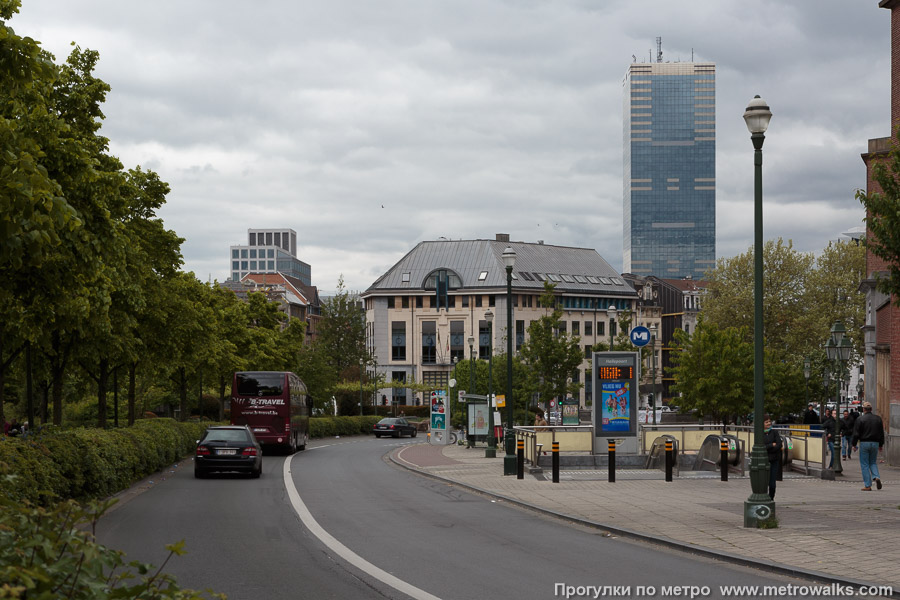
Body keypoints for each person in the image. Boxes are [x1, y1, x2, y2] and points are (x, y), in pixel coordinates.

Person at [852, 401, 885, 491]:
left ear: (863, 409)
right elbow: (881, 433)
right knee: (873, 462)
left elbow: (856, 433)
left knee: (865, 464)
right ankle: (876, 477)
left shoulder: (860, 419)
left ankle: (868, 485)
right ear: (871, 409)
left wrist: (854, 444)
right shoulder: (878, 419)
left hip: (864, 442)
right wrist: (881, 444)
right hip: (875, 443)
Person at [764, 415, 782, 500]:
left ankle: (771, 498)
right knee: (763, 482)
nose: (769, 423)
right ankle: (763, 497)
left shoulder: (774, 432)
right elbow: (761, 447)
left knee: (772, 483)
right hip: (764, 460)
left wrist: (769, 448)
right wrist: (771, 445)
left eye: (769, 421)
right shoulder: (760, 434)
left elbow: (779, 444)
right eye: (766, 422)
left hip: (774, 460)